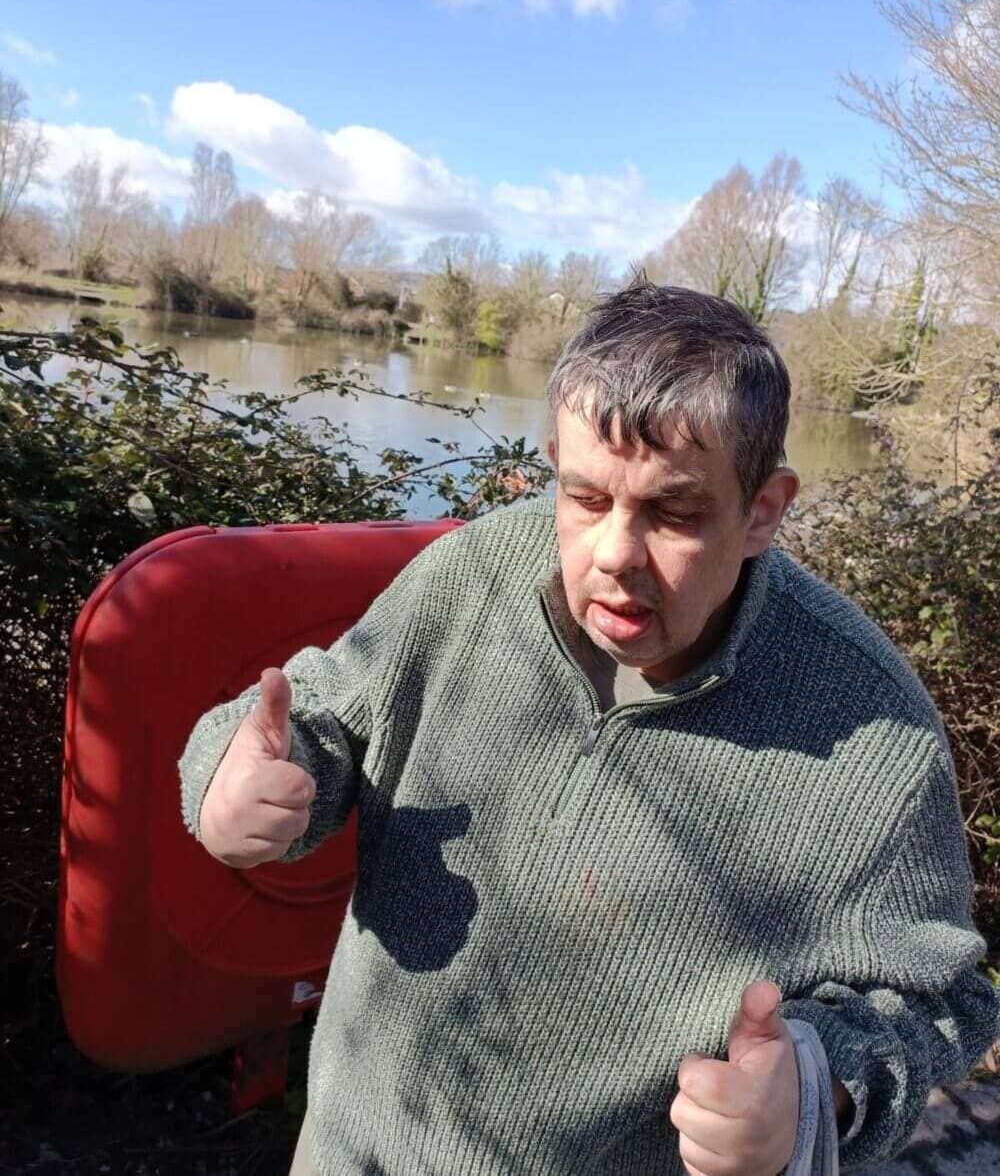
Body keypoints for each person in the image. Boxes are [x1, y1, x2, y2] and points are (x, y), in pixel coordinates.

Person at [179, 280, 1000, 1176]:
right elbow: (323, 713)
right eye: (584, 496)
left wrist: (816, 1089)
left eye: (675, 512)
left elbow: (941, 997)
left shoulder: (873, 724)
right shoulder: (470, 575)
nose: (613, 553)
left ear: (763, 508)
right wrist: (240, 773)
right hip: (351, 1151)